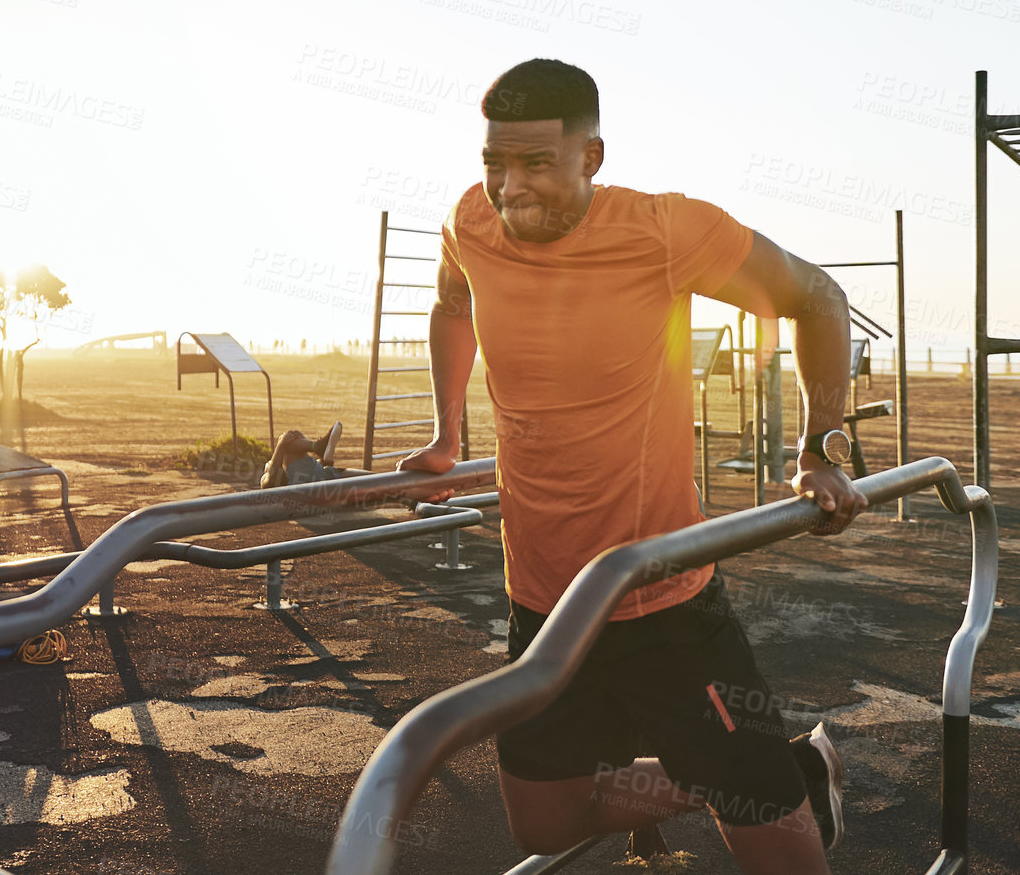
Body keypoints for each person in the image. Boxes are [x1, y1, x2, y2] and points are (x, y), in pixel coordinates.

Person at [399, 59, 863, 872]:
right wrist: (445, 434)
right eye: (494, 164)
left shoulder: (664, 230)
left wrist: (820, 444)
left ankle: (758, 780)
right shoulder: (468, 223)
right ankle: (781, 770)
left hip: (667, 605)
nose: (511, 188)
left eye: (536, 164)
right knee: (544, 826)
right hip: (544, 603)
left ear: (592, 157)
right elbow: (451, 302)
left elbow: (817, 297)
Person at [259, 421, 364, 489]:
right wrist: (281, 445)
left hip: (328, 475)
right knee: (288, 439)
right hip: (310, 484)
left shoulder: (303, 468)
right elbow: (269, 480)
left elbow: (323, 466)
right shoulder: (271, 478)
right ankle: (318, 446)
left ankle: (318, 447)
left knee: (378, 479)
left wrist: (326, 460)